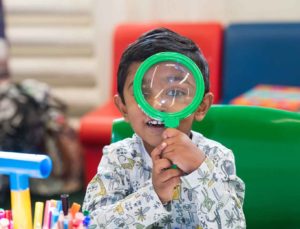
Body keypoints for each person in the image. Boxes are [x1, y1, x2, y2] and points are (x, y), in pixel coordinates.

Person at [83, 28, 246, 228]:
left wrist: (200, 169)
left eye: (175, 92)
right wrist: (154, 196)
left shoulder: (217, 156)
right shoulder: (118, 159)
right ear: (123, 108)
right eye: (143, 92)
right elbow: (92, 224)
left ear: (201, 106)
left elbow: (234, 225)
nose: (158, 105)